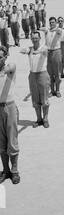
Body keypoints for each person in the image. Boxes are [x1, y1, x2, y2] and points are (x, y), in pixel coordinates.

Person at [20, 32, 50, 128]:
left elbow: (45, 52)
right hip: (32, 75)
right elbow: (24, 50)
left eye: (36, 38)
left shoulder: (44, 47)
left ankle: (45, 119)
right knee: (35, 99)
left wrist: (38, 52)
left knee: (44, 99)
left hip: (42, 75)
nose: (34, 39)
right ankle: (39, 119)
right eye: (33, 38)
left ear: (40, 38)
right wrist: (25, 50)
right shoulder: (30, 49)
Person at [0, 46, 20, 184]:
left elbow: (8, 69)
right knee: (1, 143)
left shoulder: (10, 67)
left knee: (12, 141)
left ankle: (14, 171)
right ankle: (5, 170)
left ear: (5, 56)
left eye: (0, 56)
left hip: (10, 107)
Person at [40, 17, 63, 97]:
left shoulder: (58, 31)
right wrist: (45, 29)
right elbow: (42, 29)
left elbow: (60, 30)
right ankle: (52, 90)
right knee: (50, 73)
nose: (51, 24)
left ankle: (58, 90)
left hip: (56, 52)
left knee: (57, 73)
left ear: (56, 23)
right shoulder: (48, 31)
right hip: (49, 52)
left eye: (53, 22)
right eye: (50, 22)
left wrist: (56, 27)